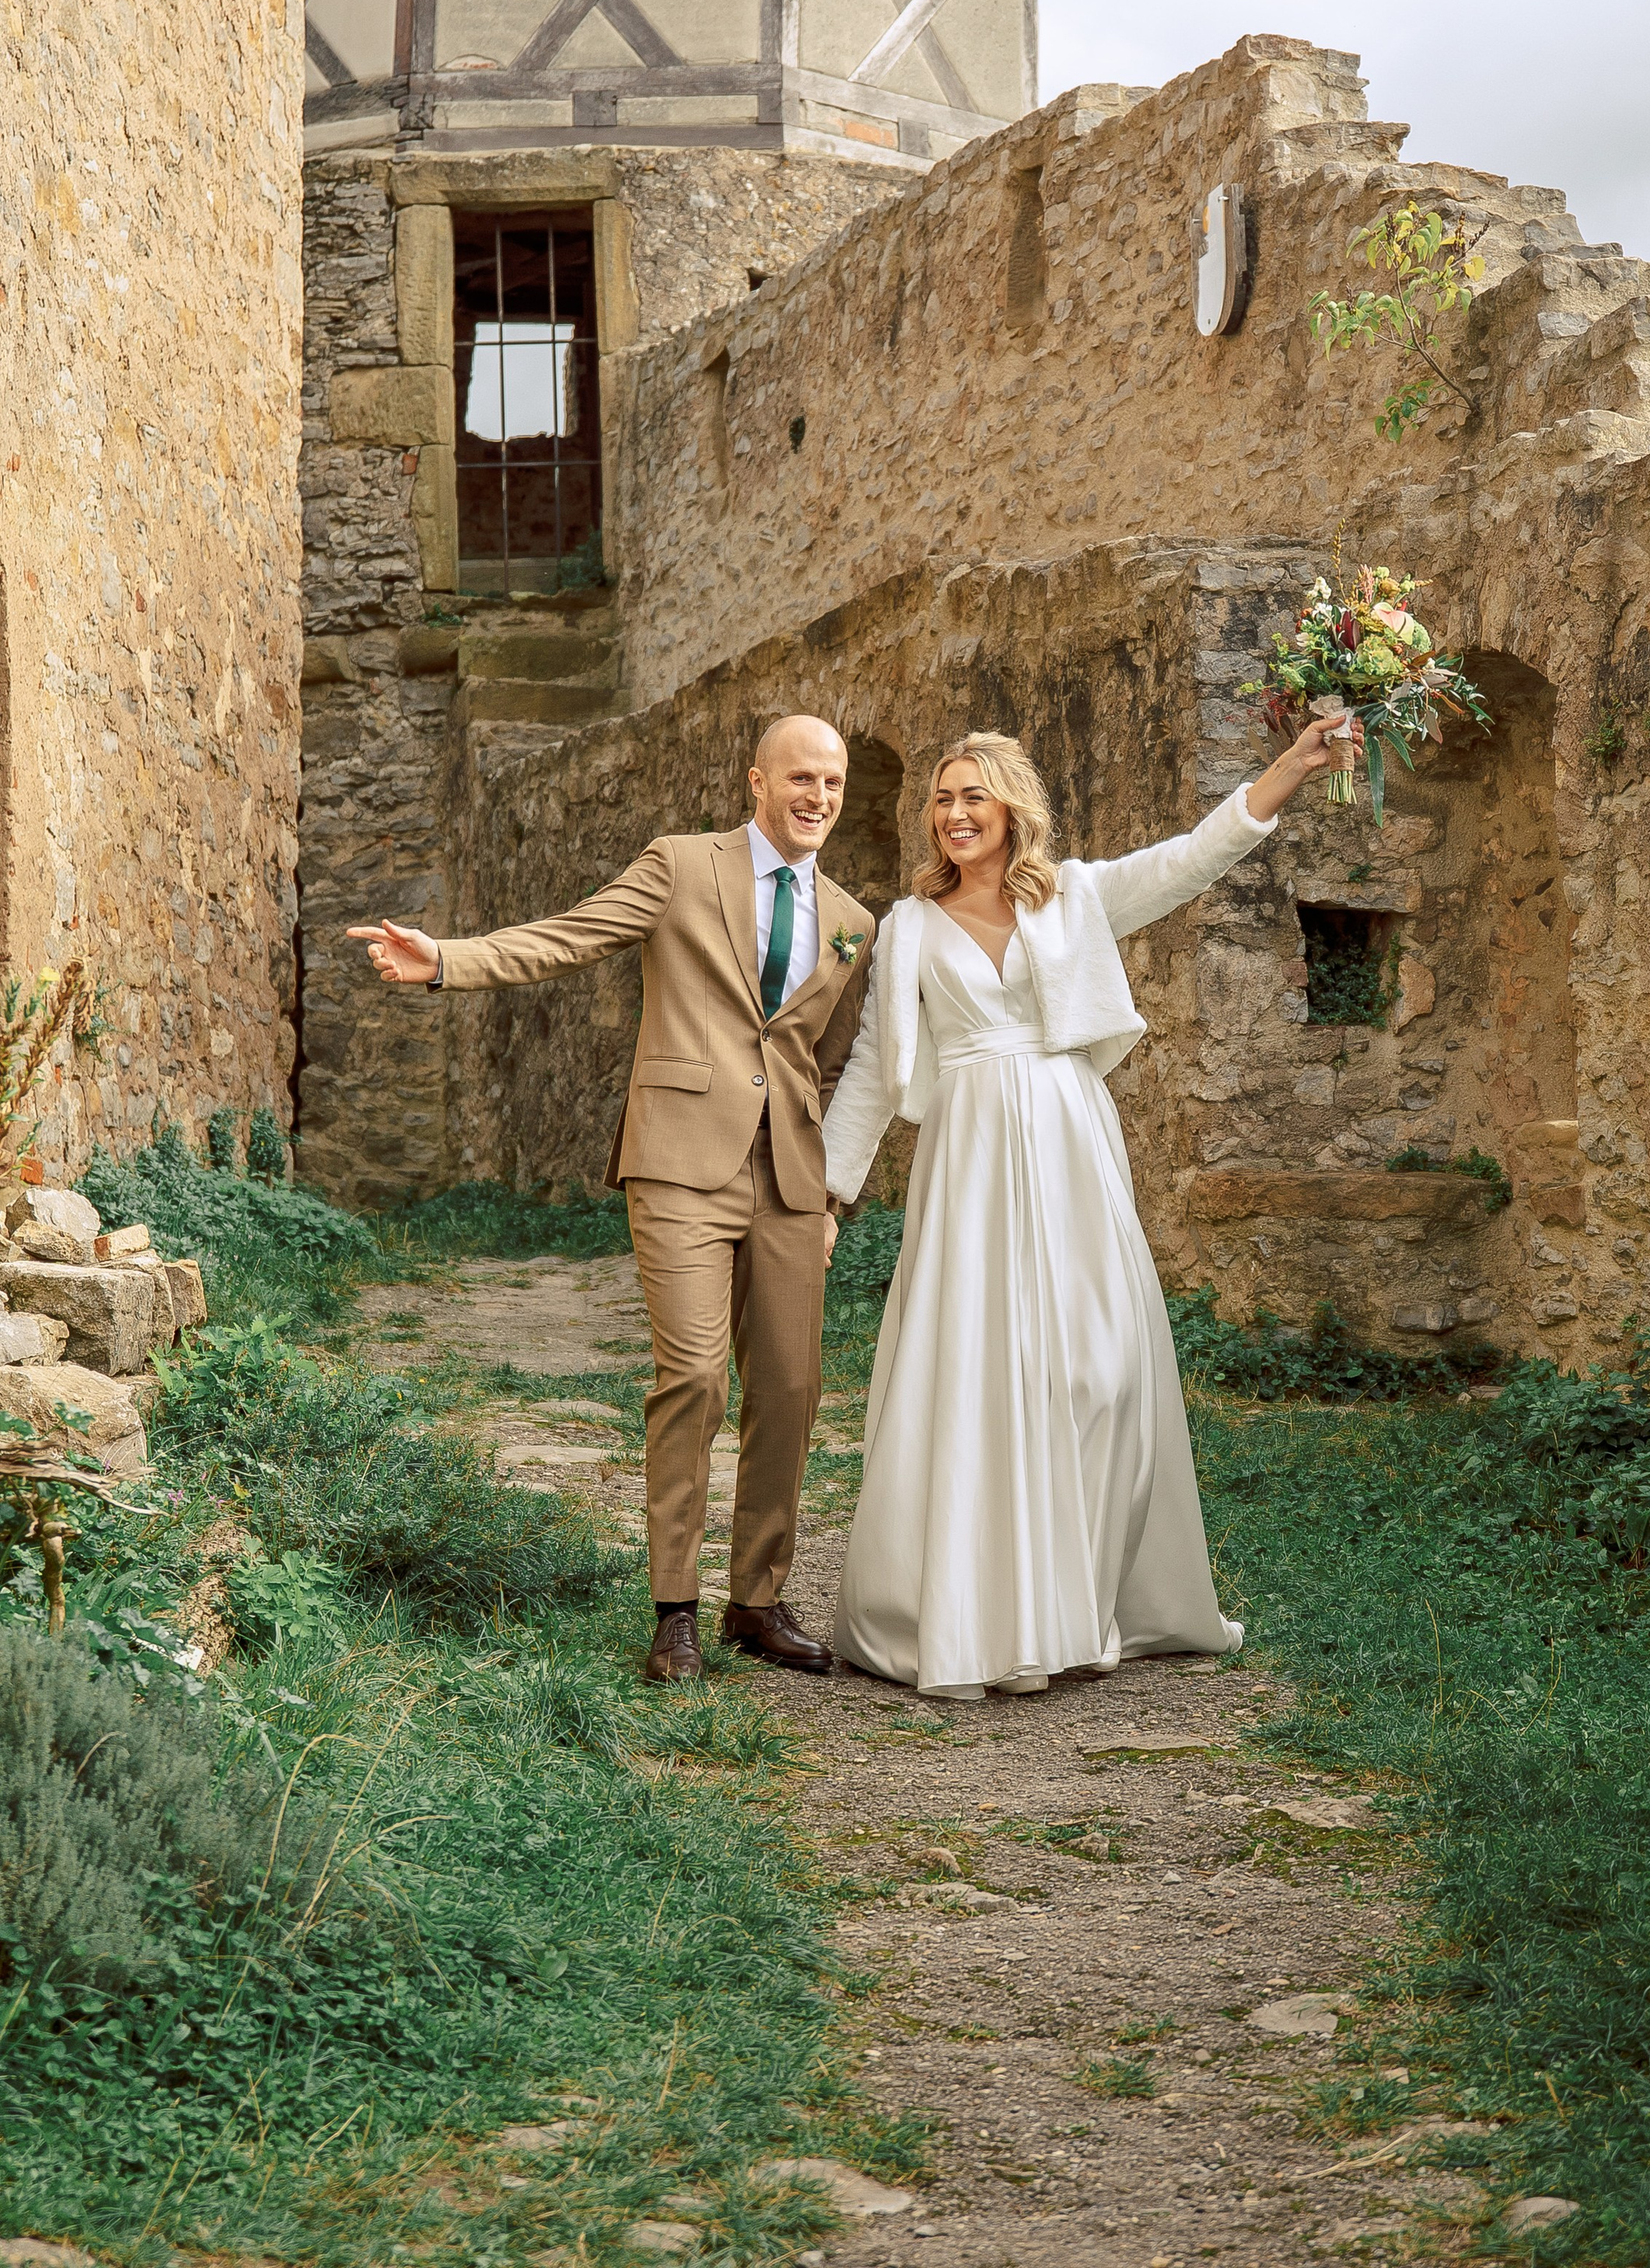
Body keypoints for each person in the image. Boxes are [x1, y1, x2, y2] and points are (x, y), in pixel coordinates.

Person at [820, 717, 1344, 1701]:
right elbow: (872, 1069)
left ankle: (1079, 1600)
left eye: (973, 795)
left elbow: (1191, 860)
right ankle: (980, 1615)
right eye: (941, 798)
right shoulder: (909, 927)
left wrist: (1292, 766)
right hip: (970, 1156)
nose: (953, 813)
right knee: (976, 1370)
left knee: (1098, 1366)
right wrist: (827, 1193)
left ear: (1012, 807)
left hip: (1069, 1138)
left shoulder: (1073, 897)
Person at [346, 715, 873, 1686]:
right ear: (757, 781)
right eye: (801, 777)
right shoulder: (681, 866)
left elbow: (828, 1061)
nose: (819, 796)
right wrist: (447, 959)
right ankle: (675, 1611)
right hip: (680, 1161)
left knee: (793, 1391)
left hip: (792, 1183)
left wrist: (830, 1193)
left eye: (833, 782)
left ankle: (756, 1602)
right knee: (695, 1379)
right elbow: (569, 936)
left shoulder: (851, 920)